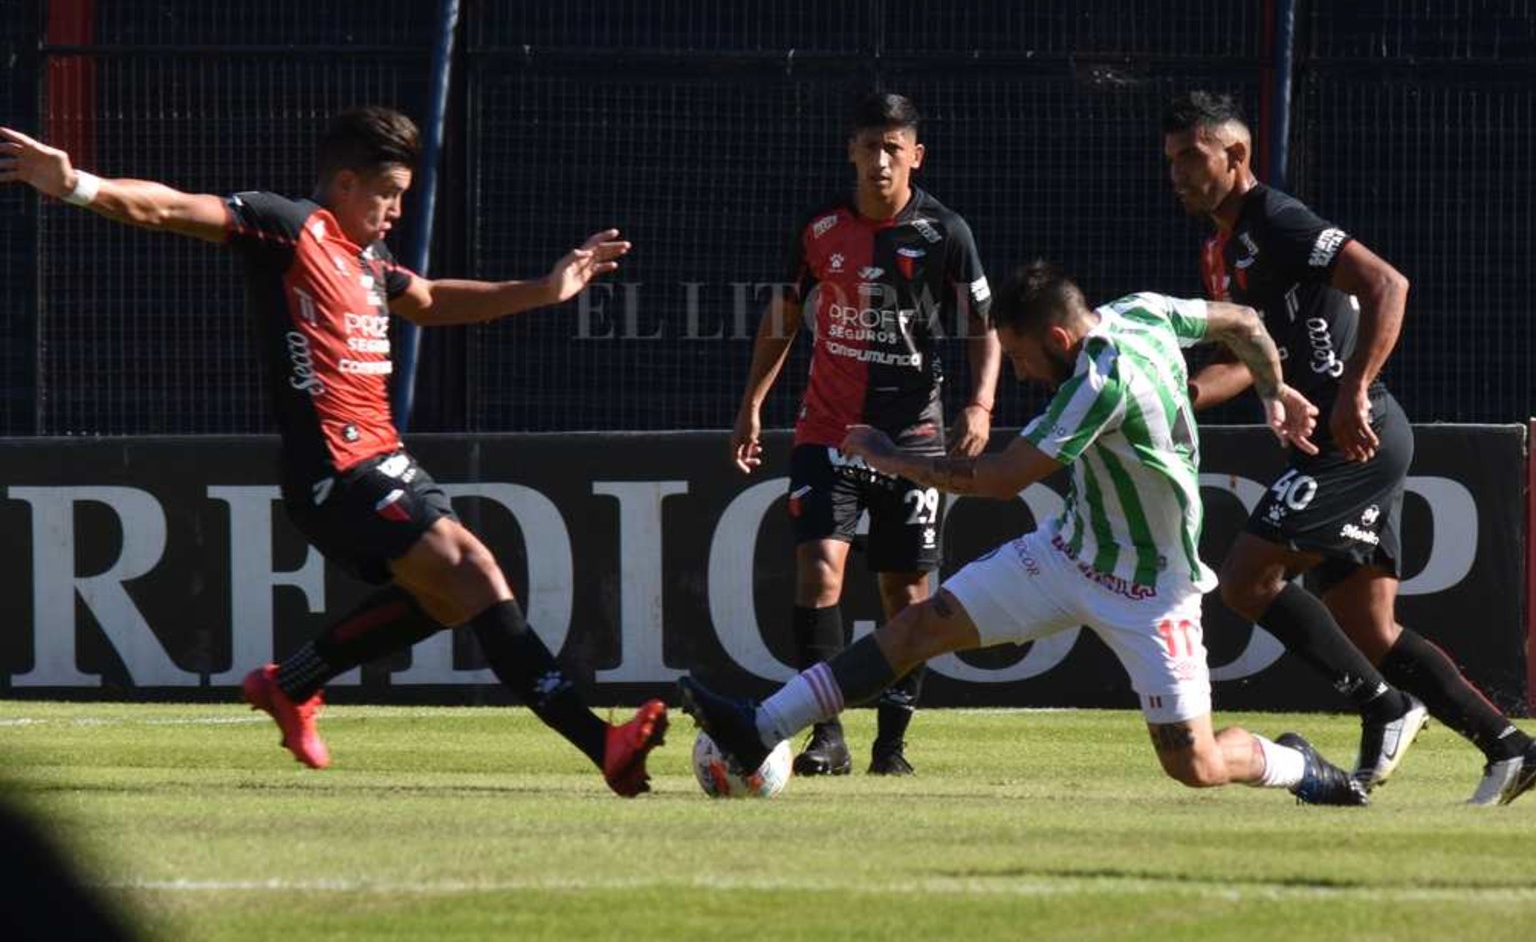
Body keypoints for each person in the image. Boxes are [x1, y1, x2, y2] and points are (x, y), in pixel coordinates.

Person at [0, 108, 668, 797]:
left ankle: (289, 684)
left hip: (389, 459)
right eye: (388, 194)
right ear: (345, 183)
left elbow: (432, 299)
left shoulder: (370, 259)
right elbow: (169, 208)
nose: (397, 211)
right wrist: (76, 183)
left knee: (443, 600)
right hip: (334, 471)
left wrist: (545, 289)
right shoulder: (288, 227)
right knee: (472, 568)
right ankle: (602, 743)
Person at [682, 261, 1369, 806]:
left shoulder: (1098, 381)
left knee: (1194, 765)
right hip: (1065, 553)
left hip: (1150, 591)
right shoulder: (1144, 311)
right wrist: (1275, 391)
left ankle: (1295, 764)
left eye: (1018, 356)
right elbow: (1244, 323)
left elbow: (1004, 478)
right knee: (919, 627)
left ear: (1059, 341)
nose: (1016, 373)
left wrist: (889, 459)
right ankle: (759, 726)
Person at [1162, 90, 1536, 806]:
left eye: (1192, 157)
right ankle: (1509, 745)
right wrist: (1179, 395)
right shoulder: (1219, 251)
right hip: (1333, 439)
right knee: (1368, 626)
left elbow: (1385, 283)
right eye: (1171, 161)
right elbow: (1254, 355)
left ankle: (1384, 707)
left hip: (1359, 434)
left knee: (1247, 578)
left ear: (1236, 155)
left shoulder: (1274, 220)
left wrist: (1351, 389)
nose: (1178, 174)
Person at [730, 92, 1001, 777]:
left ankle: (892, 745)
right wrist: (751, 402)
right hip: (829, 432)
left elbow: (985, 327)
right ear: (849, 152)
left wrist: (981, 405)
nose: (880, 162)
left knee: (904, 596)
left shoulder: (945, 232)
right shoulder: (819, 228)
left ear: (916, 156)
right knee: (818, 570)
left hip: (913, 439)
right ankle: (826, 735)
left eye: (893, 148)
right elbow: (784, 317)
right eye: (868, 148)